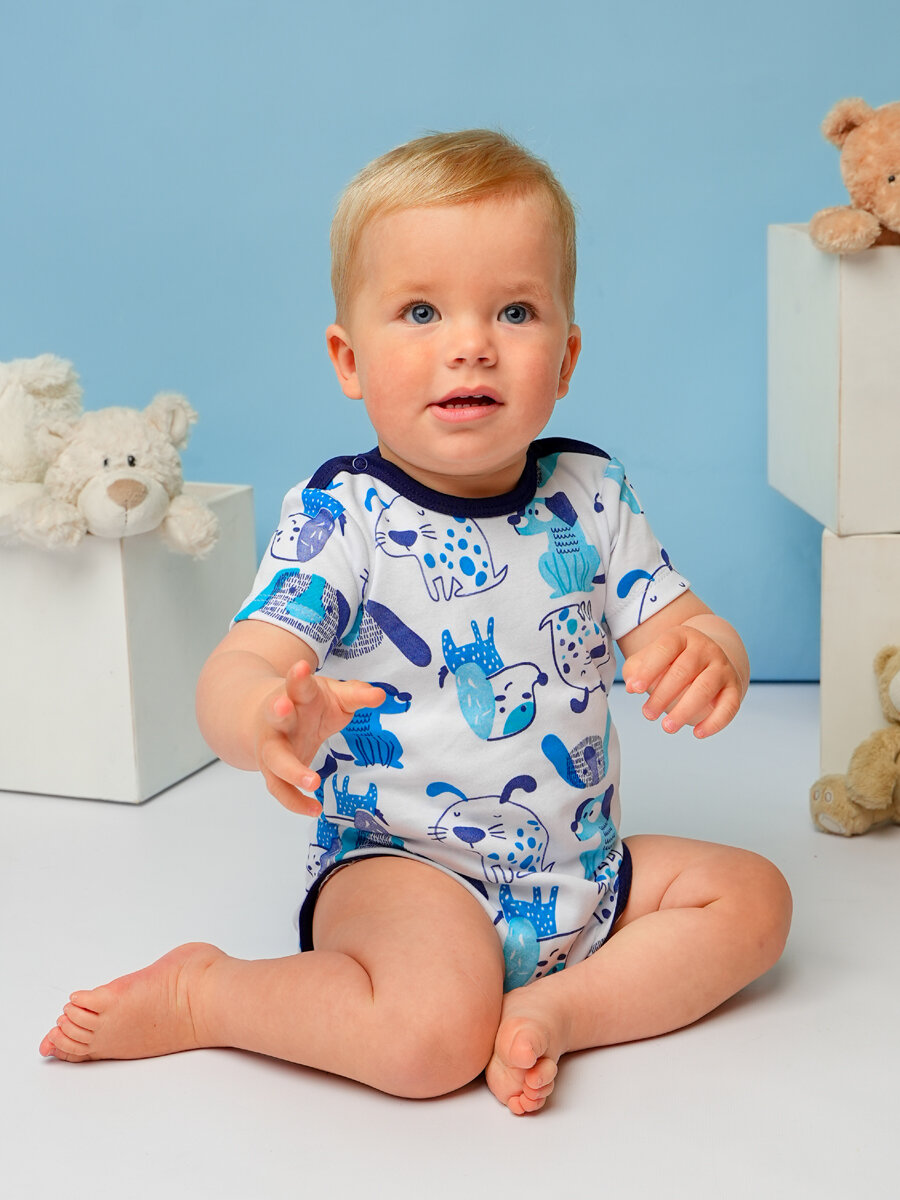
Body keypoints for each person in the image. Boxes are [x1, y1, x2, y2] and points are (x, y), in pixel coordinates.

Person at [39, 130, 792, 1115]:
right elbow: (239, 666)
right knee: (428, 1039)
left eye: (514, 311)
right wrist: (265, 716)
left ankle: (559, 1010)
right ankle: (207, 993)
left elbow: (682, 624)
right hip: (405, 868)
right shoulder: (344, 519)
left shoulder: (591, 493)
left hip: (580, 870)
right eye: (422, 311)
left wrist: (712, 655)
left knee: (756, 900)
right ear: (350, 360)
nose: (471, 343)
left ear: (565, 357)